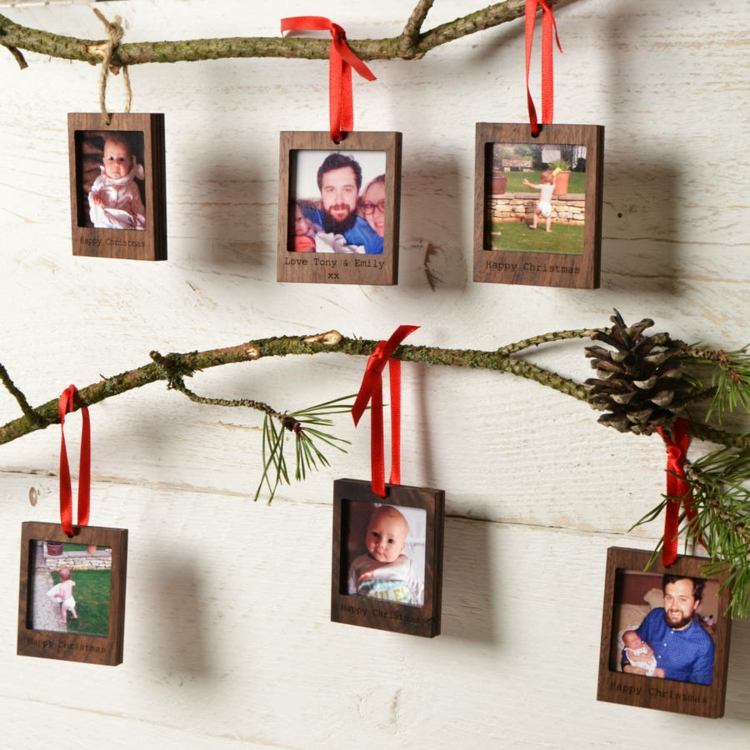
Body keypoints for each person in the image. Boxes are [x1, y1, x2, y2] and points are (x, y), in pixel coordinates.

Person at [622, 575, 714, 685]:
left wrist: (666, 674)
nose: (674, 607)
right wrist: (626, 666)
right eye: (669, 597)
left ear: (695, 604)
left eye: (682, 599)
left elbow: (700, 687)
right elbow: (630, 642)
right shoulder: (654, 616)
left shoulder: (704, 644)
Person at [300, 153, 383, 254]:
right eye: (331, 190)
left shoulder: (374, 242)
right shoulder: (300, 217)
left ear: (357, 192)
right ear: (321, 193)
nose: (339, 200)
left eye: (347, 190)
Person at [347, 505, 422, 606]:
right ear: (366, 532)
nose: (381, 544)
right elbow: (350, 593)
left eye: (390, 541)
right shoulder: (358, 564)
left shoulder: (405, 565)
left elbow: (419, 592)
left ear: (401, 547)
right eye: (375, 534)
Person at [88, 133, 146, 230]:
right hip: (103, 222)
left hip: (124, 225)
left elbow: (138, 208)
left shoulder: (131, 186)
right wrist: (95, 200)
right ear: (104, 162)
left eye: (122, 159)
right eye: (111, 158)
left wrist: (140, 227)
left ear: (130, 162)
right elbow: (92, 195)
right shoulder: (100, 181)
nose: (116, 164)